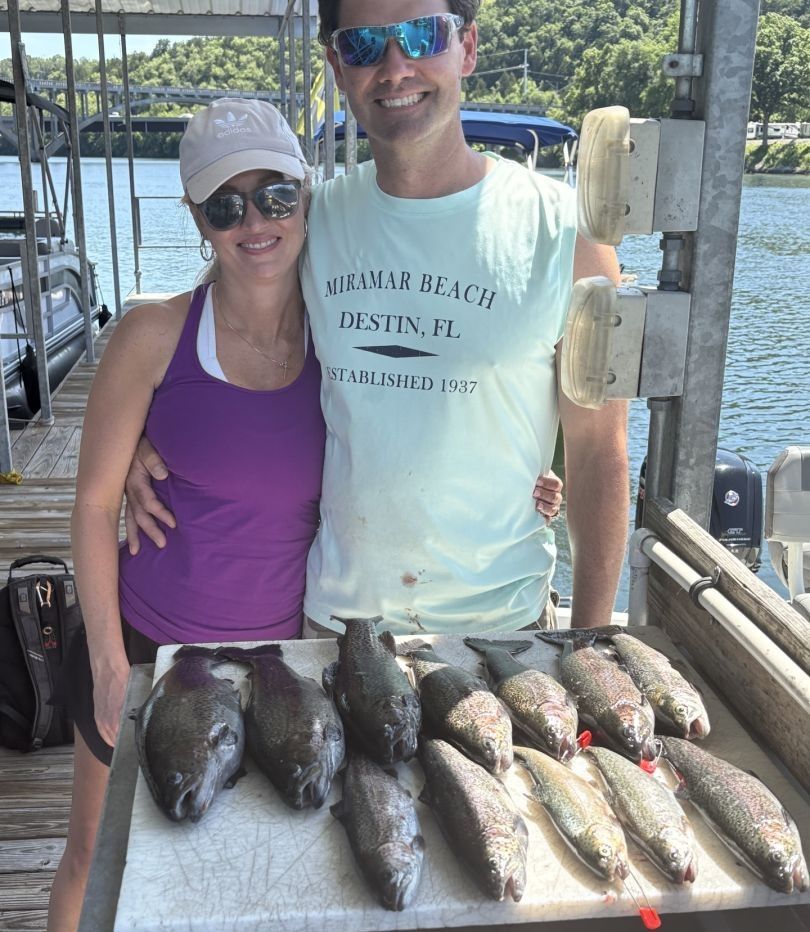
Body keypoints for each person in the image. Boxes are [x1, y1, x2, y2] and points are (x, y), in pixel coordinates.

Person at [129, 0, 628, 637]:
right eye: (364, 45)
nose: (395, 67)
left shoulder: (568, 234)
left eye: (422, 35)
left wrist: (589, 642)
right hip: (336, 626)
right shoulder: (312, 222)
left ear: (468, 47)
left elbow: (598, 452)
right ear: (338, 67)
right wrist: (139, 435)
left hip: (505, 628)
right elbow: (212, 330)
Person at [47, 100, 323, 932]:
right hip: (146, 648)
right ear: (198, 219)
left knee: (245, 877)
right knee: (97, 859)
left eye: (275, 195)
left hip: (278, 669)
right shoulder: (153, 335)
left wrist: (530, 473)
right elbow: (93, 503)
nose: (255, 223)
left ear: (306, 192)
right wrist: (107, 663)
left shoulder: (342, 337)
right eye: (225, 205)